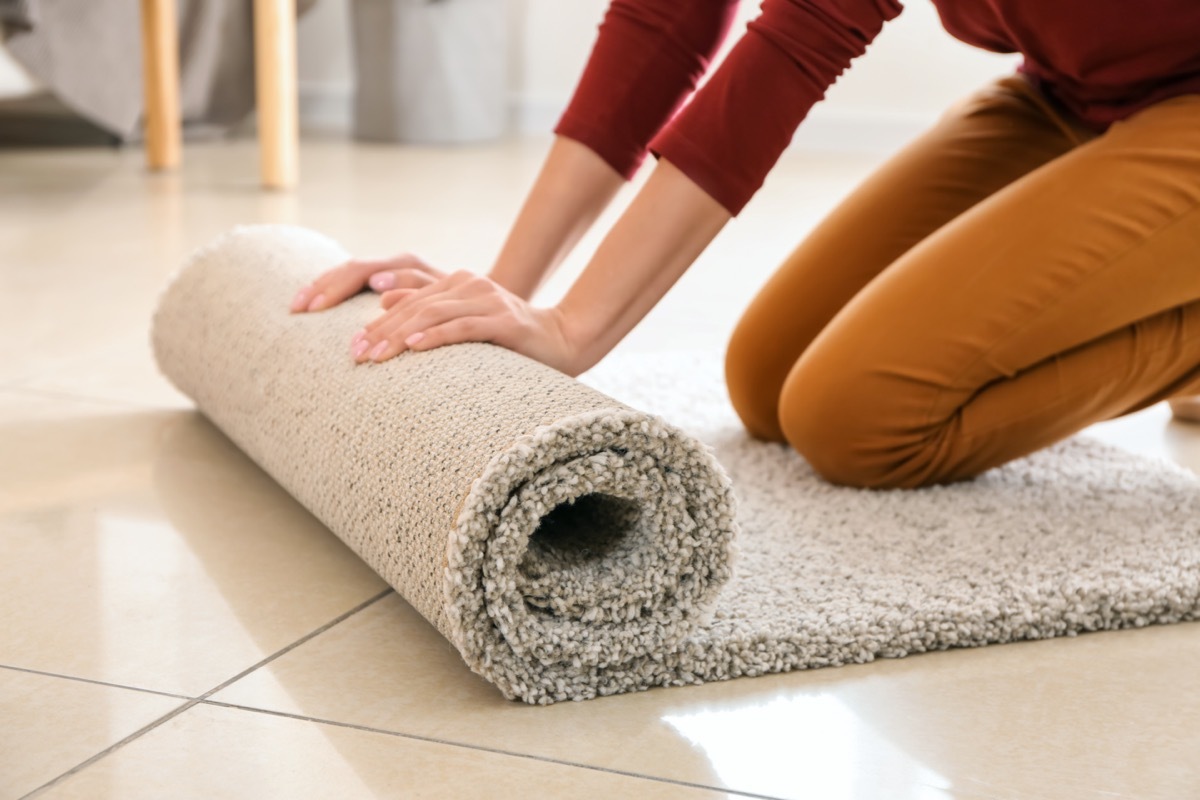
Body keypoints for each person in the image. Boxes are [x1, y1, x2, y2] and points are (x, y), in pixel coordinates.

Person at [289, 0, 1200, 489]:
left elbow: (804, 34)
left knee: (859, 421)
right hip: (1076, 94)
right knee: (769, 384)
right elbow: (667, 19)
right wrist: (501, 296)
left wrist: (575, 330)